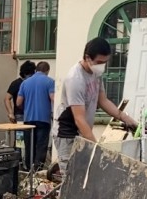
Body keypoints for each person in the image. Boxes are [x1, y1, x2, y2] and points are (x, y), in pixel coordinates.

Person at [53, 38, 138, 173]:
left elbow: (103, 100)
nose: (102, 66)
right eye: (99, 62)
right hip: (67, 134)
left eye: (105, 62)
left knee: (85, 175)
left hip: (83, 132)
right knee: (71, 179)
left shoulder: (96, 73)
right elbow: (79, 119)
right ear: (87, 57)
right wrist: (96, 146)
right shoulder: (75, 79)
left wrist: (126, 118)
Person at [16, 61, 55, 170]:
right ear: (47, 71)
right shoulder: (50, 82)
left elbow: (18, 102)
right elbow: (53, 99)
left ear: (36, 70)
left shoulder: (25, 83)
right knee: (41, 146)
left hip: (28, 120)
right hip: (44, 120)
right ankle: (38, 171)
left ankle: (29, 170)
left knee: (29, 146)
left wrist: (27, 106)